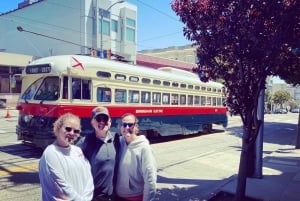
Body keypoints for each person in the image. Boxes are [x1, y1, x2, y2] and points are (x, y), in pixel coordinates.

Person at [38, 113, 94, 201]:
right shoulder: (51, 153)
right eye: (68, 129)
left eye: (76, 131)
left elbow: (89, 178)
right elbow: (60, 186)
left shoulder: (78, 150)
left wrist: (86, 198)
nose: (72, 133)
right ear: (58, 128)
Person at [77, 106, 120, 201]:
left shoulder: (116, 139)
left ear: (110, 121)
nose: (102, 122)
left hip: (113, 196)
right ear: (92, 122)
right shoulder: (85, 142)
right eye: (98, 119)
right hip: (94, 197)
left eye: (105, 118)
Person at [116, 113, 157, 201]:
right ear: (120, 127)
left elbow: (150, 179)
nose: (127, 127)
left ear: (136, 127)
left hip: (135, 197)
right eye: (124, 124)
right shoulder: (119, 143)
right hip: (117, 196)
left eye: (130, 125)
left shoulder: (144, 148)